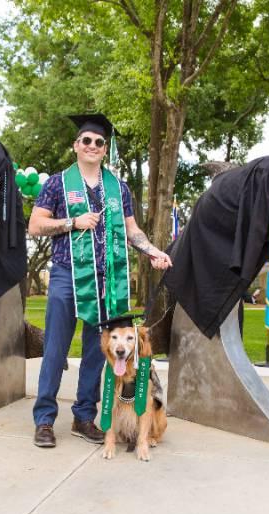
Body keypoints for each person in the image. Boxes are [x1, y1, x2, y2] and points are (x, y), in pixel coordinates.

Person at [28, 113, 172, 448]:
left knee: (98, 351)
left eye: (99, 142)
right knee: (55, 349)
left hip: (108, 280)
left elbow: (132, 229)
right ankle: (45, 420)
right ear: (76, 146)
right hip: (67, 276)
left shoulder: (117, 188)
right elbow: (35, 225)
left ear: (104, 149)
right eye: (86, 141)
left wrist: (152, 251)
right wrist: (72, 222)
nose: (93, 146)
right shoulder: (57, 183)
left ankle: (83, 416)